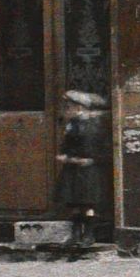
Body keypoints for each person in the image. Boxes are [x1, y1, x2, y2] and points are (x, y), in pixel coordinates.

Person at [55, 89, 109, 249]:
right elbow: (68, 144)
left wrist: (88, 159)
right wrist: (65, 155)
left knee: (88, 204)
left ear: (79, 108)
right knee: (74, 204)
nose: (66, 110)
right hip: (73, 168)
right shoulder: (73, 125)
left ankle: (89, 235)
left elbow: (95, 147)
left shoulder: (92, 125)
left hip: (87, 169)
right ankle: (76, 235)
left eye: (68, 107)